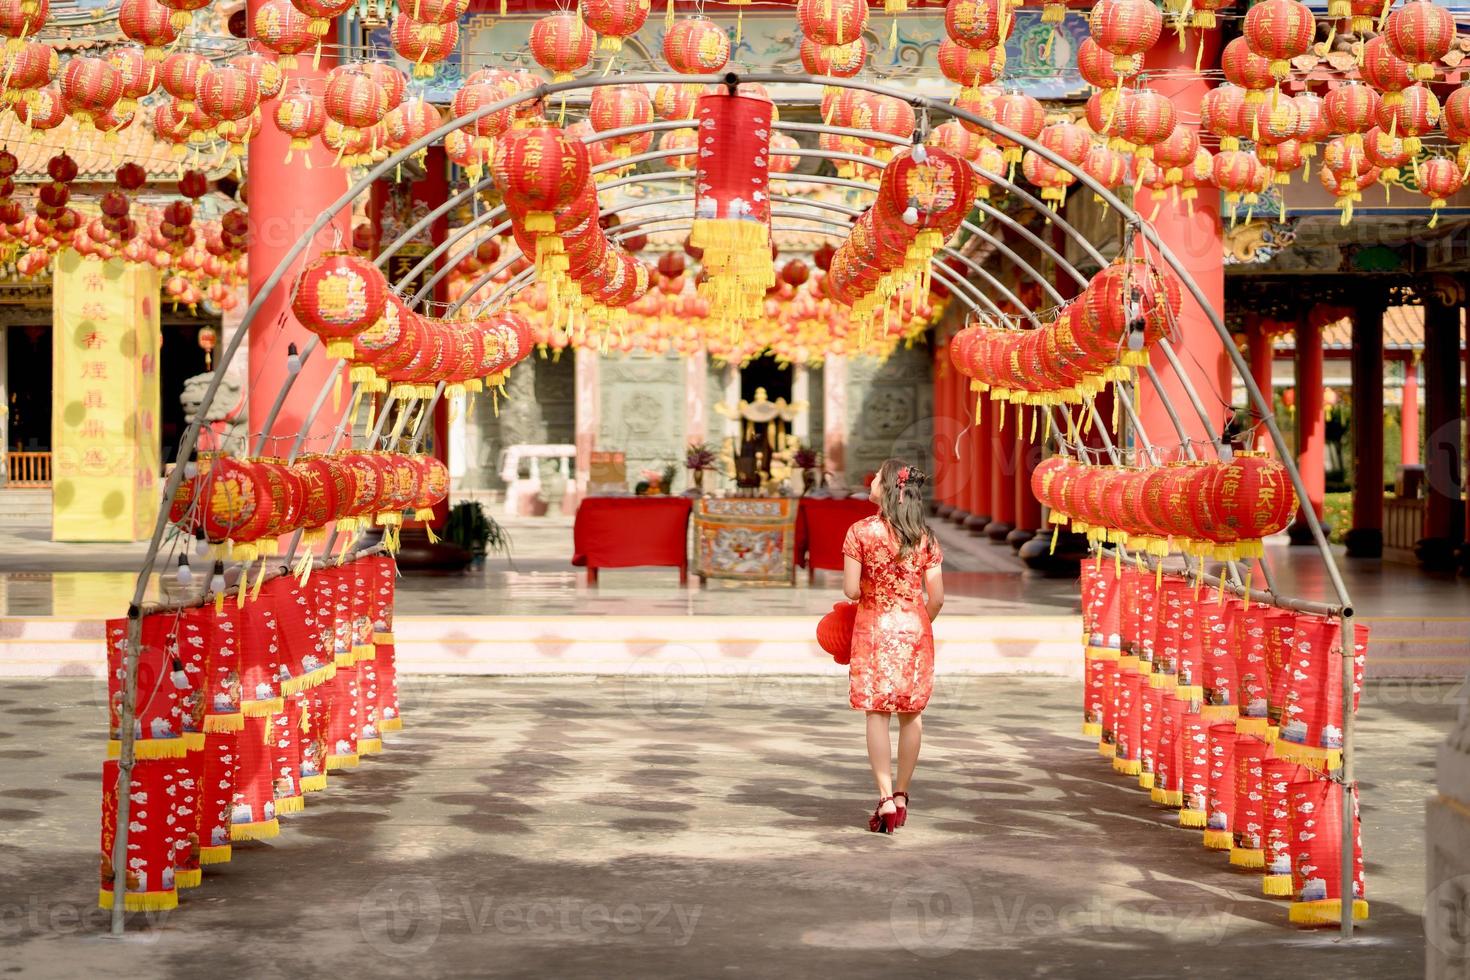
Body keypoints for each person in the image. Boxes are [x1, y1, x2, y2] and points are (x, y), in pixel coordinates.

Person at [841, 458, 944, 834]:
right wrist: (918, 623)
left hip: (874, 627)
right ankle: (902, 794)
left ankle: (884, 797)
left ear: (887, 489)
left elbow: (852, 590)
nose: (871, 482)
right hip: (914, 629)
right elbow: (937, 598)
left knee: (876, 713)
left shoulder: (860, 532)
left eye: (876, 479)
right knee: (911, 714)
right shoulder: (925, 537)